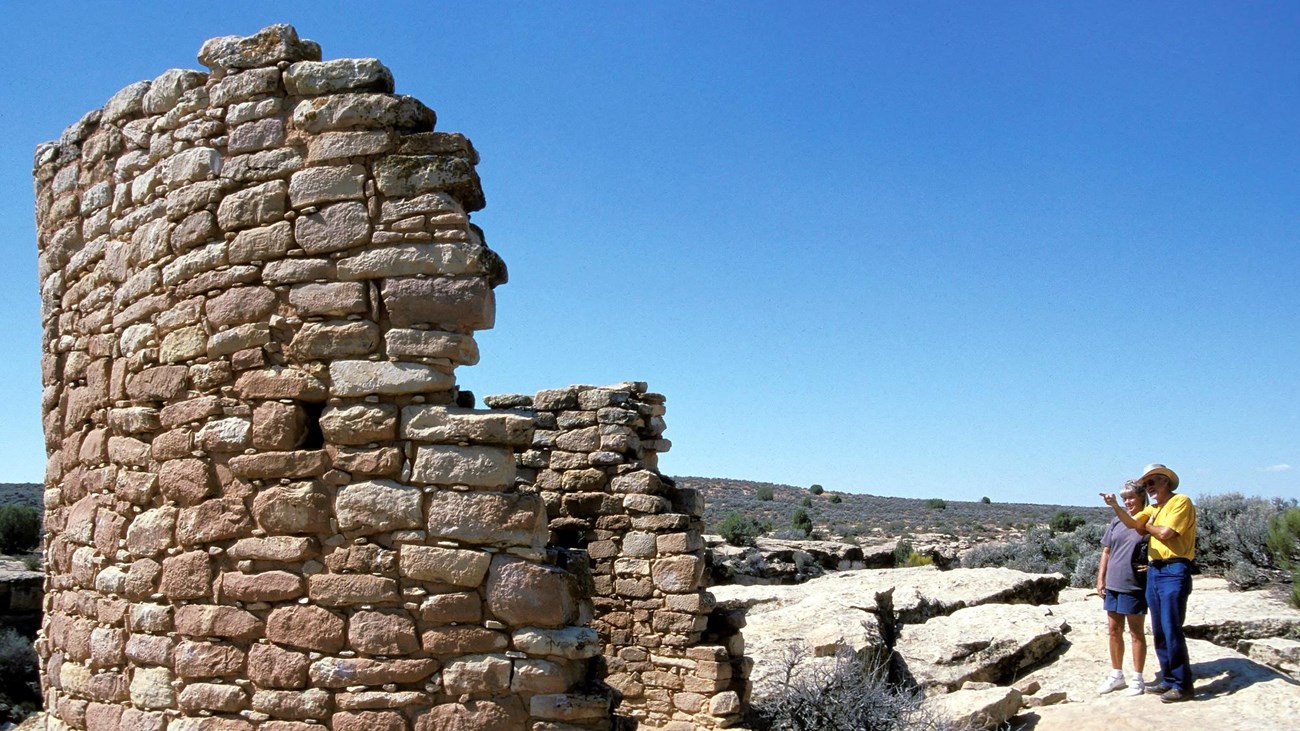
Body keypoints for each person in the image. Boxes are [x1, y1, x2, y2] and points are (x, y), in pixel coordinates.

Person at [1101, 463, 1197, 703]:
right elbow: (1133, 523)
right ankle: (1168, 679)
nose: (1149, 488)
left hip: (1174, 568)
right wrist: (1115, 506)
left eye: (1152, 483)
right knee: (1160, 629)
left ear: (1165, 481)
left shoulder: (1180, 502)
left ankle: (1183, 685)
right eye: (1146, 485)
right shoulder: (1155, 508)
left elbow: (1165, 533)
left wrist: (1147, 524)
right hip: (1156, 569)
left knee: (1172, 626)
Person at [1095, 480, 1149, 695]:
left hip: (1134, 585)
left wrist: (1152, 566)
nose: (1128, 502)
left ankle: (1138, 678)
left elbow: (1162, 548)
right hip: (1114, 583)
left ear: (1141, 498)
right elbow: (1106, 551)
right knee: (1114, 630)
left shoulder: (1147, 522)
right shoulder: (1116, 522)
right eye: (1125, 498)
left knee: (1136, 632)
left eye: (1131, 498)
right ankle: (1117, 674)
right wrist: (1101, 579)